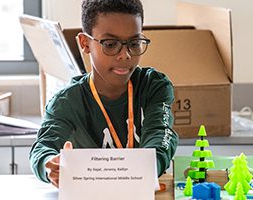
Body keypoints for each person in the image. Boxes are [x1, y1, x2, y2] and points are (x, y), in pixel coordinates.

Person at [29, 0, 178, 188]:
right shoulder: (67, 102)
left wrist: (144, 170)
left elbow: (161, 134)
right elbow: (43, 148)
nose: (125, 55)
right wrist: (49, 165)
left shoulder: (154, 86)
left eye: (134, 43)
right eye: (110, 44)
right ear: (85, 43)